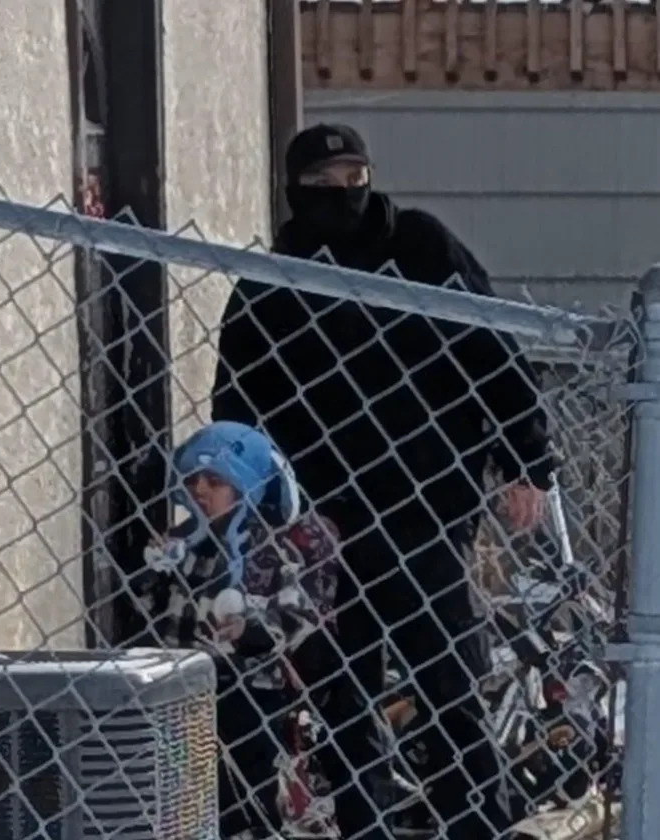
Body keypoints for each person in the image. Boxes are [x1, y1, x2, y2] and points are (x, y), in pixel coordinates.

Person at [211, 124, 555, 839]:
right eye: (323, 182)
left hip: (423, 511)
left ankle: (473, 826)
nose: (342, 192)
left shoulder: (420, 248)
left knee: (448, 690)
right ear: (293, 190)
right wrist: (253, 509)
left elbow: (490, 347)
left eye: (352, 175)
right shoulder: (273, 281)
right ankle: (366, 829)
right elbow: (237, 405)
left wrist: (528, 460)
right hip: (325, 525)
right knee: (344, 699)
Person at [133, 420, 339, 839]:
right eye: (193, 481)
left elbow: (298, 614)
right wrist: (154, 571)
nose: (201, 491)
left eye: (215, 481)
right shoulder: (187, 542)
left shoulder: (269, 547)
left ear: (245, 486)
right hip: (183, 684)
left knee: (247, 785)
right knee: (184, 785)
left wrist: (253, 630)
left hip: (248, 687)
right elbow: (152, 609)